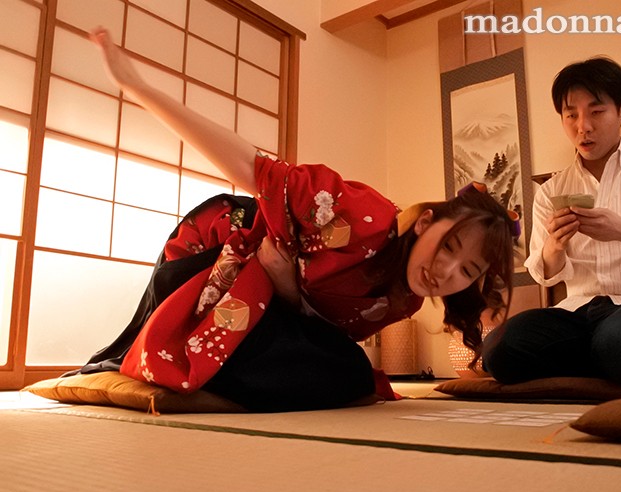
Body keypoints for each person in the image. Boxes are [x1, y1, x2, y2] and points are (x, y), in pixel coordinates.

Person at [71, 28, 518, 412]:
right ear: (424, 223)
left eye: (467, 271)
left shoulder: (408, 301)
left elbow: (320, 337)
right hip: (220, 257)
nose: (446, 271)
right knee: (323, 373)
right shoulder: (356, 213)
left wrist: (287, 290)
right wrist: (138, 87)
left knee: (350, 372)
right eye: (449, 247)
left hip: (275, 302)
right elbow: (249, 166)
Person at [479, 57, 621, 389]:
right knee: (498, 349)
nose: (583, 126)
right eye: (571, 115)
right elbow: (543, 272)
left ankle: (609, 356)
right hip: (576, 312)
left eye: (596, 112)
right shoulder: (551, 190)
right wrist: (555, 245)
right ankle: (609, 359)